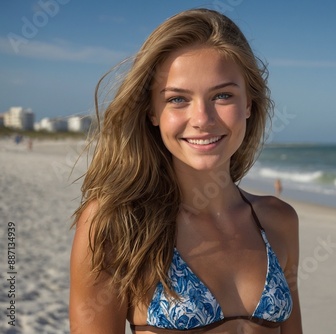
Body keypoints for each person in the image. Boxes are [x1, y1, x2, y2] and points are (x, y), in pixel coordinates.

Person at [69, 8, 302, 334]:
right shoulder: (116, 226)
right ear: (152, 111)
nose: (202, 118)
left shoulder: (279, 221)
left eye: (223, 95)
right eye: (178, 99)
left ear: (249, 103)